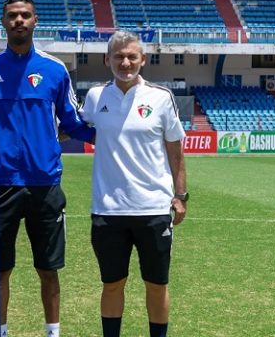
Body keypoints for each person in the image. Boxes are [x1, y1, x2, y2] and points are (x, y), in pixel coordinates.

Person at [0, 0, 95, 337]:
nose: (19, 21)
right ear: (3, 22)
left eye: (25, 15)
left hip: (45, 184)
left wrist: (110, 135)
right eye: (12, 15)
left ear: (35, 20)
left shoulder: (55, 69)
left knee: (49, 269)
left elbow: (71, 122)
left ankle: (52, 332)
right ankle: (0, 331)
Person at [80, 30, 188, 337]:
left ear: (143, 59)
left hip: (153, 208)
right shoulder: (96, 96)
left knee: (157, 285)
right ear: (107, 60)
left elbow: (175, 150)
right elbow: (72, 127)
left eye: (131, 56)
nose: (125, 63)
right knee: (112, 285)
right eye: (119, 57)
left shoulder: (161, 97)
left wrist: (180, 195)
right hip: (108, 210)